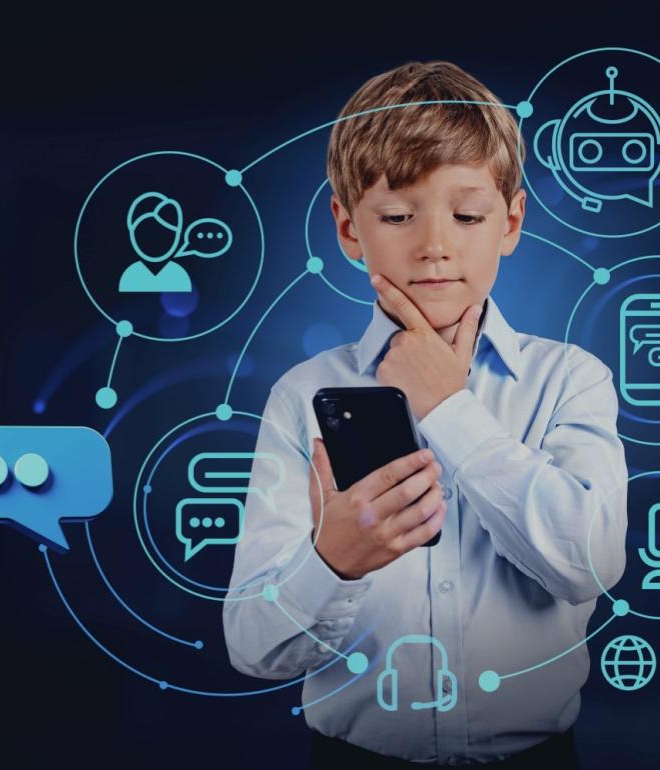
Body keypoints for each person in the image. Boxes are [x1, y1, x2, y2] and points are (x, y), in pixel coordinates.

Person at [223, 60, 628, 767]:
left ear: (511, 221)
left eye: (467, 215)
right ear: (350, 229)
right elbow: (252, 647)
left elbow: (589, 565)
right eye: (398, 215)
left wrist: (448, 406)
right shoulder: (301, 396)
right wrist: (333, 561)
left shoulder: (570, 380)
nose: (435, 245)